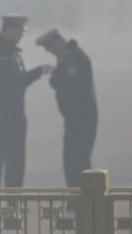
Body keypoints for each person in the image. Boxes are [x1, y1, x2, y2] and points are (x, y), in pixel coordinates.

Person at [0, 14, 53, 212]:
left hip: (17, 115)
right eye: (19, 31)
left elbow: (18, 82)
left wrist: (37, 72)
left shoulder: (15, 54)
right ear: (8, 29)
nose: (21, 35)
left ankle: (14, 202)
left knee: (16, 159)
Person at [35, 29, 98, 191]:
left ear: (58, 41)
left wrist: (56, 74)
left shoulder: (72, 57)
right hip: (75, 117)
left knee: (78, 159)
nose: (51, 52)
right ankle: (76, 196)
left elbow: (61, 82)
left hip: (81, 116)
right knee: (71, 159)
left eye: (50, 48)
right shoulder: (66, 56)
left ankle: (82, 197)